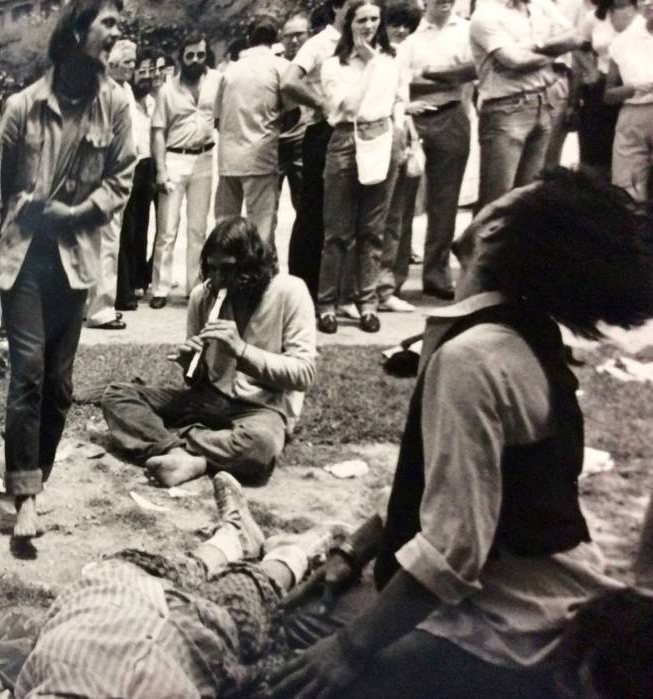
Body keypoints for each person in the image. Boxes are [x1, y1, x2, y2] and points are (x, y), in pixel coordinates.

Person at [266, 168, 653, 698]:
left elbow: (453, 549)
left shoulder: (473, 358)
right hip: (541, 595)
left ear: (496, 232)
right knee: (317, 610)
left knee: (292, 646)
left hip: (508, 628)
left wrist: (346, 651)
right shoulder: (518, 335)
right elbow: (462, 488)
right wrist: (354, 550)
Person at [0, 0, 135, 539]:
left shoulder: (116, 106)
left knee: (59, 387)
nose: (117, 32)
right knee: (29, 373)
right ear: (78, 31)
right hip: (23, 260)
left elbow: (122, 178)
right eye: (108, 23)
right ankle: (26, 497)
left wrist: (77, 212)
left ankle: (38, 474)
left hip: (76, 262)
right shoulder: (22, 106)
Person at [14, 471, 347, 698]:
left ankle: (294, 555)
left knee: (244, 596)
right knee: (189, 571)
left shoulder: (150, 685)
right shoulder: (35, 675)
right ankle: (233, 539)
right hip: (116, 588)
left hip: (164, 620)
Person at [101, 217, 316, 487]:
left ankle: (188, 454)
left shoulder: (289, 291)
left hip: (262, 408)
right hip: (209, 399)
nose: (217, 279)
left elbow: (304, 374)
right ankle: (179, 453)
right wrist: (192, 366)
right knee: (118, 395)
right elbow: (197, 382)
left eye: (227, 269)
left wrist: (242, 351)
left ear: (251, 265)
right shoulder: (202, 296)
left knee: (261, 445)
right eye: (211, 269)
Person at [315, 0, 407, 335]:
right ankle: (327, 304)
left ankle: (366, 302)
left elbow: (400, 98)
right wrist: (368, 66)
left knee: (372, 230)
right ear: (349, 23)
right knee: (337, 231)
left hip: (383, 138)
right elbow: (347, 106)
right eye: (361, 20)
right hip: (345, 139)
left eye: (373, 20)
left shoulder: (393, 58)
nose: (367, 26)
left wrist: (401, 135)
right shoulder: (334, 65)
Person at [470, 0, 581, 209]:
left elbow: (576, 36)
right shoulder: (486, 15)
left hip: (542, 102)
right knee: (497, 198)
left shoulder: (542, 7)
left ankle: (515, 243)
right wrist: (556, 53)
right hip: (506, 108)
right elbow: (513, 61)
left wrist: (535, 46)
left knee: (529, 196)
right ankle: (481, 243)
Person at [399, 0, 475, 301]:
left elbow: (472, 70)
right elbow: (399, 80)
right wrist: (447, 76)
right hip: (411, 117)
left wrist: (424, 75)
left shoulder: (468, 30)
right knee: (402, 201)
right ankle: (392, 277)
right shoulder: (409, 30)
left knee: (445, 202)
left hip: (452, 114)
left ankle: (436, 274)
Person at [149, 30, 223, 308]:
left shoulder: (217, 82)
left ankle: (195, 288)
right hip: (174, 159)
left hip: (204, 158)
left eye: (200, 55)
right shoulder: (168, 90)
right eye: (189, 55)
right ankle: (160, 288)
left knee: (198, 228)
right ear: (181, 57)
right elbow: (158, 131)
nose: (195, 60)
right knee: (167, 229)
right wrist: (160, 170)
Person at [283, 0, 348, 302]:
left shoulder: (362, 43)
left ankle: (337, 288)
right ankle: (303, 286)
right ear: (337, 7)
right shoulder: (319, 43)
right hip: (322, 132)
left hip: (355, 132)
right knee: (313, 212)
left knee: (345, 215)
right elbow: (289, 82)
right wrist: (321, 103)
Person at [214, 16, 290, 247]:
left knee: (226, 225)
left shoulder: (230, 71)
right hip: (261, 156)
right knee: (260, 228)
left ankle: (225, 274)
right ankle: (257, 277)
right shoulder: (281, 67)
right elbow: (293, 114)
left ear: (248, 39)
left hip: (229, 158)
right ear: (275, 40)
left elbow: (217, 118)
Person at [85, 37, 137, 331]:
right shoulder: (107, 94)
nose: (131, 67)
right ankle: (100, 308)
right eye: (126, 61)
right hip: (105, 176)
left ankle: (89, 304)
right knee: (105, 243)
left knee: (97, 243)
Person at [375, 0, 422, 313]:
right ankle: (367, 287)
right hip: (376, 137)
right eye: (396, 23)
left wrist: (411, 131)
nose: (402, 30)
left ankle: (384, 287)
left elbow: (402, 100)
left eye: (408, 25)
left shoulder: (404, 52)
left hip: (400, 133)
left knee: (396, 216)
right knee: (375, 217)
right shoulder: (372, 54)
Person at [114, 48, 157, 311]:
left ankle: (138, 279)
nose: (144, 74)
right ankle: (124, 290)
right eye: (131, 63)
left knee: (142, 227)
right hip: (125, 166)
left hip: (145, 163)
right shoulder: (117, 91)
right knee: (125, 231)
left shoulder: (140, 96)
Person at [578, 0, 637, 176]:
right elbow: (578, 47)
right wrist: (590, 70)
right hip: (602, 87)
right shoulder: (595, 17)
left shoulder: (645, 13)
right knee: (596, 150)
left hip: (637, 88)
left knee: (632, 152)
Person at [605, 0, 653, 209]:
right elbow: (608, 95)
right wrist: (636, 88)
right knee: (628, 193)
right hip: (632, 118)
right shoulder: (623, 42)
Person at [278, 14, 311, 215]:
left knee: (306, 204)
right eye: (288, 36)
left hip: (305, 143)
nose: (294, 40)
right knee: (267, 208)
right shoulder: (275, 65)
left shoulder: (318, 64)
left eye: (299, 34)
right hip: (276, 143)